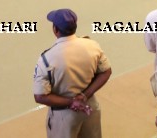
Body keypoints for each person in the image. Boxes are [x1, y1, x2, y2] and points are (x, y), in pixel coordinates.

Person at [33, 8, 112, 138]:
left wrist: (71, 102)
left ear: (55, 30)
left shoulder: (47, 59)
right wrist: (85, 95)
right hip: (89, 107)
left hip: (63, 114)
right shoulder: (92, 46)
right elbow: (106, 72)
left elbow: (40, 96)